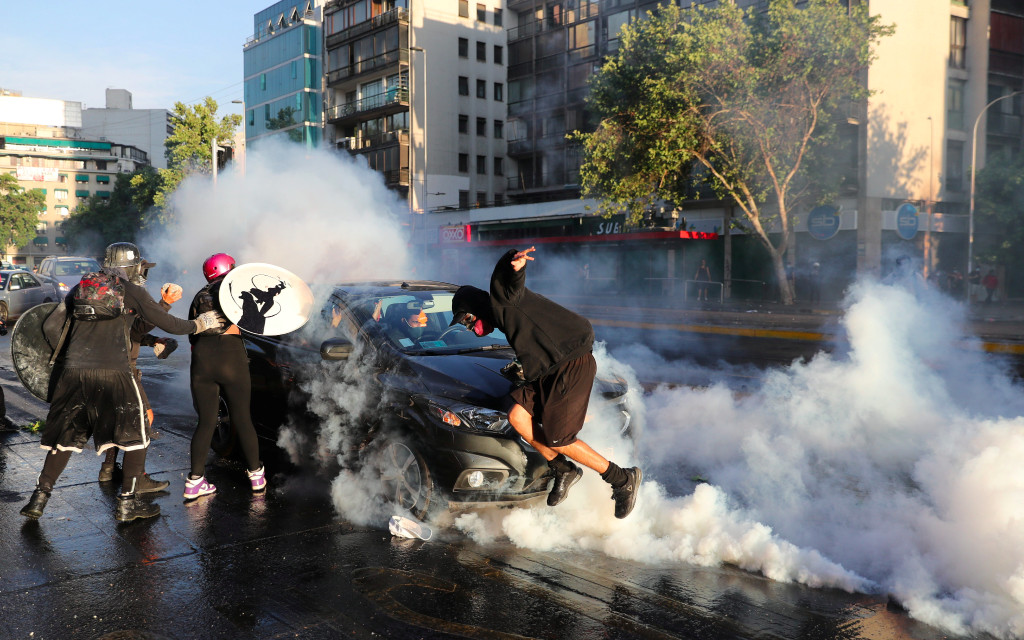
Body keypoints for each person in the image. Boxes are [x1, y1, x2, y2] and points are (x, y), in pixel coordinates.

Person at [20, 242, 224, 522]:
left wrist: (75, 353)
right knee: (136, 435)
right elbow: (170, 324)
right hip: (115, 373)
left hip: (74, 373)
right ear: (132, 267)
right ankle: (128, 503)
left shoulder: (81, 288)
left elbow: (50, 326)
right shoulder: (132, 291)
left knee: (65, 438)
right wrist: (201, 323)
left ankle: (39, 497)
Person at [449, 246, 642, 519]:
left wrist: (513, 264)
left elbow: (507, 282)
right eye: (465, 325)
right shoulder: (506, 321)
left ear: (476, 307)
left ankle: (622, 479)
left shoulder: (502, 303)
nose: (470, 327)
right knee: (517, 416)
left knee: (559, 438)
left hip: (569, 362)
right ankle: (563, 468)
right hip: (548, 369)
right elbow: (534, 340)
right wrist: (524, 367)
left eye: (468, 319)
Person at [184, 252, 265, 501]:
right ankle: (256, 476)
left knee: (206, 422)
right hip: (231, 357)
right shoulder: (236, 288)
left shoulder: (199, 295)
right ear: (228, 268)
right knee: (242, 418)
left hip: (202, 360)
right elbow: (256, 324)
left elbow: (191, 334)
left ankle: (194, 482)